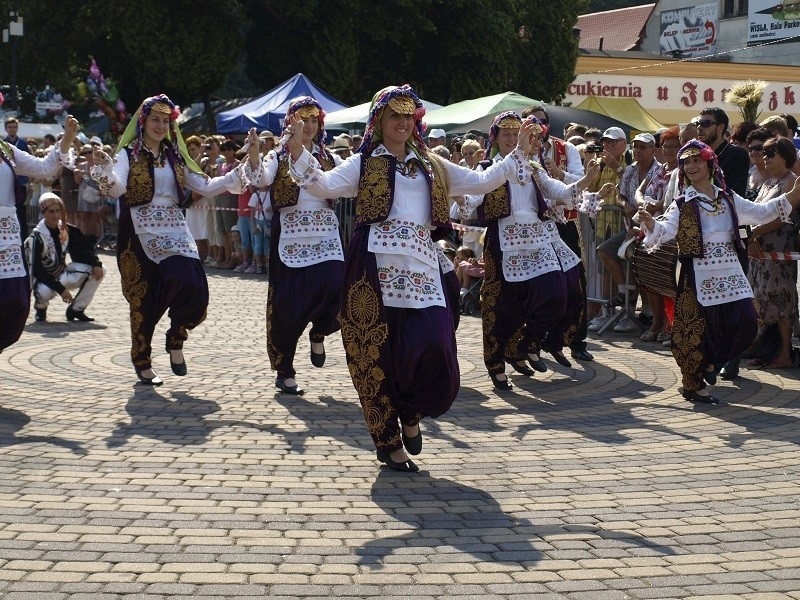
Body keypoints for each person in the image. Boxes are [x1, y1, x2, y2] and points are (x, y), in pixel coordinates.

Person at [286, 85, 539, 472]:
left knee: (435, 343)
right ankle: (387, 441)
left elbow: (482, 182)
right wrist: (298, 150)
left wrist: (518, 150)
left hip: (421, 265)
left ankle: (412, 411)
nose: (402, 123)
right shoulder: (364, 162)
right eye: (394, 116)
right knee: (378, 355)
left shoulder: (433, 164)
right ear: (380, 120)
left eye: (408, 116)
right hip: (374, 266)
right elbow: (321, 185)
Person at [90, 94, 260, 386]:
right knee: (145, 297)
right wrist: (105, 171)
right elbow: (116, 187)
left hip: (174, 227)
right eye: (155, 119)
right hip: (138, 229)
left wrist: (243, 168)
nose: (160, 125)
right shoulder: (128, 155)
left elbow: (205, 185)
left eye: (165, 120)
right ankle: (142, 359)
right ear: (142, 123)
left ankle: (176, 336)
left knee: (194, 286)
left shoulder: (175, 157)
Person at [637, 140, 800, 404]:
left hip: (730, 272)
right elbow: (665, 231)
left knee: (747, 322)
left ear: (710, 164)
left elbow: (760, 213)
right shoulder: (682, 204)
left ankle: (713, 361)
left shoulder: (728, 198)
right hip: (696, 275)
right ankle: (694, 385)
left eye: (696, 161)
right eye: (686, 163)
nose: (691, 166)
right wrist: (650, 223)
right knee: (695, 331)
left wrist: (793, 195)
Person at [458, 112, 602, 389]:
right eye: (507, 135)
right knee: (504, 305)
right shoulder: (489, 168)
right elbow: (469, 200)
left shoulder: (535, 168)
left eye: (517, 134)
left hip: (538, 239)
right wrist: (456, 193)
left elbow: (559, 191)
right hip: (503, 241)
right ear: (495, 139)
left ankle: (528, 342)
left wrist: (586, 181)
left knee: (560, 292)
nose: (513, 140)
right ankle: (498, 359)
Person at [248, 96, 345, 397]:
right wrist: (253, 156)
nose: (309, 126)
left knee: (339, 287)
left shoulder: (330, 158)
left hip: (327, 236)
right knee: (288, 306)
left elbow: (350, 178)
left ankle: (319, 331)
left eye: (314, 120)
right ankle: (285, 370)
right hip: (290, 235)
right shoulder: (277, 156)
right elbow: (260, 179)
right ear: (290, 123)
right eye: (303, 120)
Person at [0, 116, 79, 353]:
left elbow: (44, 167)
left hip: (8, 234)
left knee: (15, 301)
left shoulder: (5, 149)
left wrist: (66, 139)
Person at [524, 104, 593, 362]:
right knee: (538, 284)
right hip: (532, 227)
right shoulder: (519, 152)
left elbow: (578, 179)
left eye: (540, 121)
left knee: (576, 281)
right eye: (530, 121)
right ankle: (536, 341)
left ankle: (576, 340)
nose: (536, 125)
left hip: (563, 224)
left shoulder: (567, 148)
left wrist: (557, 172)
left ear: (548, 124)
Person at [596, 132, 661, 334]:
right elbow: (620, 195)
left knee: (642, 267)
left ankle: (648, 315)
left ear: (653, 149)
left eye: (643, 147)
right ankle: (626, 296)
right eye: (636, 147)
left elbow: (661, 204)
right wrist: (625, 206)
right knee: (604, 250)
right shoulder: (631, 170)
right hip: (629, 229)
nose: (639, 151)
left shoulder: (660, 172)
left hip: (654, 230)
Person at [745, 136, 799, 369]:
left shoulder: (792, 182)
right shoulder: (767, 183)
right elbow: (755, 212)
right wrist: (751, 236)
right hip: (760, 253)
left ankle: (785, 353)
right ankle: (766, 350)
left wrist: (753, 234)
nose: (764, 158)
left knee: (781, 302)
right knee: (761, 300)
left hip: (779, 252)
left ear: (786, 157)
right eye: (763, 153)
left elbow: (780, 218)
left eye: (770, 154)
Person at [27, 192, 105, 322]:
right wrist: (61, 290)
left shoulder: (67, 229)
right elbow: (36, 269)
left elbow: (84, 250)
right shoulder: (36, 237)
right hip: (44, 279)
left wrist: (96, 263)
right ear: (43, 212)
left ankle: (76, 309)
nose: (56, 215)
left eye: (58, 211)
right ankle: (41, 308)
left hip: (63, 274)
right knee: (42, 292)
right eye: (51, 211)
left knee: (100, 270)